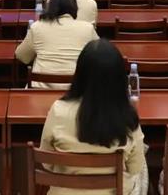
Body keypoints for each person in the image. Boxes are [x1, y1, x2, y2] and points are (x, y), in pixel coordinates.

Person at [39, 39, 145, 195]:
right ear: (119, 78)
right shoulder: (127, 116)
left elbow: (46, 162)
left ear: (79, 74)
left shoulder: (58, 110)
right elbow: (135, 167)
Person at [16, 0, 99, 88]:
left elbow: (22, 56)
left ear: (49, 7)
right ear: (74, 7)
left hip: (41, 89)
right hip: (77, 89)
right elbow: (99, 57)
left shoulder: (37, 26)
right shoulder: (88, 28)